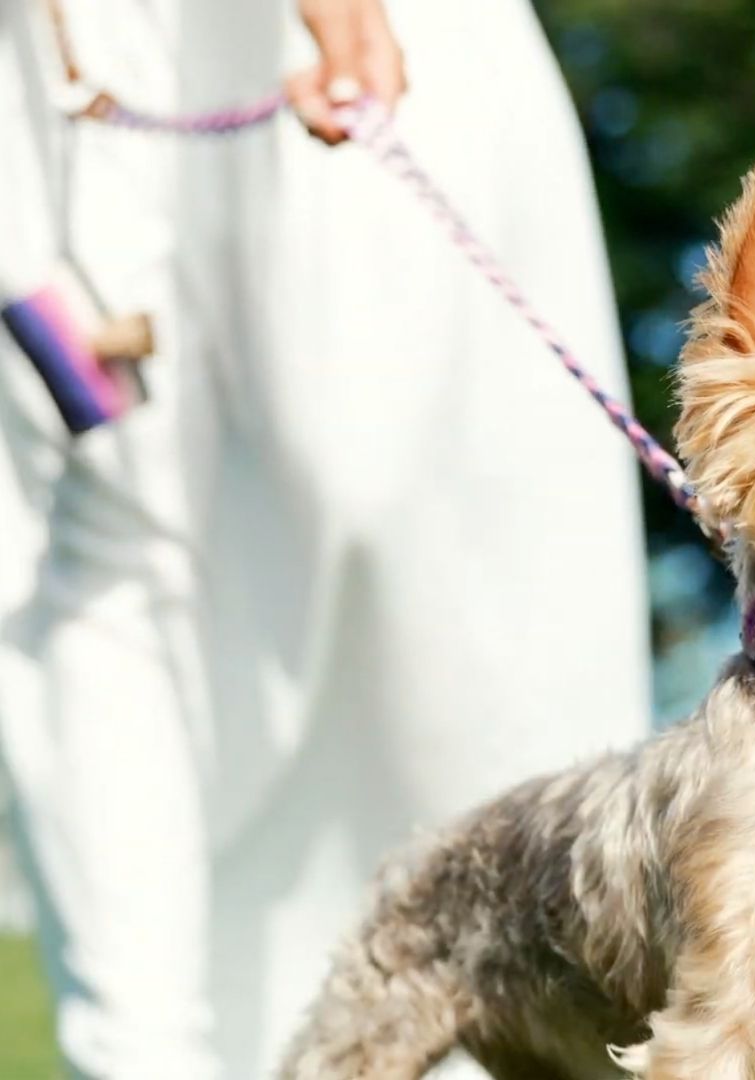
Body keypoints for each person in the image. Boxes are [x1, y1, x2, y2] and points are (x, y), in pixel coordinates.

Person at [0, 0, 650, 1077]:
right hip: (80, 69)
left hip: (368, 68)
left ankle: (495, 1011)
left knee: (416, 520)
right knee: (104, 551)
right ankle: (140, 1054)